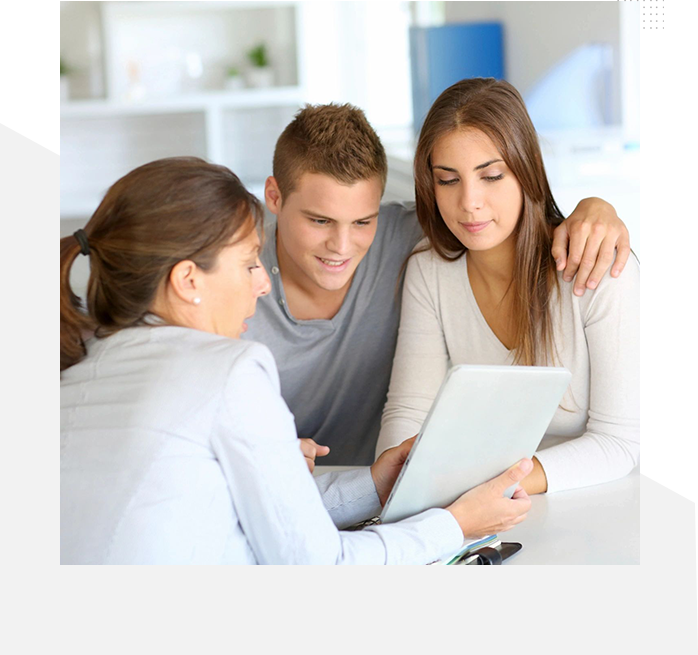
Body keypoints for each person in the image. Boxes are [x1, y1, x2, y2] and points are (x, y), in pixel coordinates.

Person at [60, 156, 534, 565]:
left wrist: (372, 485)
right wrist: (455, 524)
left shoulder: (76, 374)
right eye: (248, 264)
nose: (262, 284)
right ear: (188, 280)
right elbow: (316, 565)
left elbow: (259, 523)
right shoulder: (227, 370)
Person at [243, 102, 633, 465]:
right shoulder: (229, 280)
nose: (342, 246)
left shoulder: (415, 237)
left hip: (374, 489)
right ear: (274, 197)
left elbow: (497, 216)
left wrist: (597, 207)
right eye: (319, 221)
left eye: (363, 221)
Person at [375, 78, 641, 494]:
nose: (470, 203)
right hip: (487, 512)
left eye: (492, 176)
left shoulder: (595, 267)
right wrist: (394, 488)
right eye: (448, 180)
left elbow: (619, 443)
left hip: (600, 508)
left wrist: (489, 487)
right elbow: (410, 411)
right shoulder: (430, 269)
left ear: (526, 171)